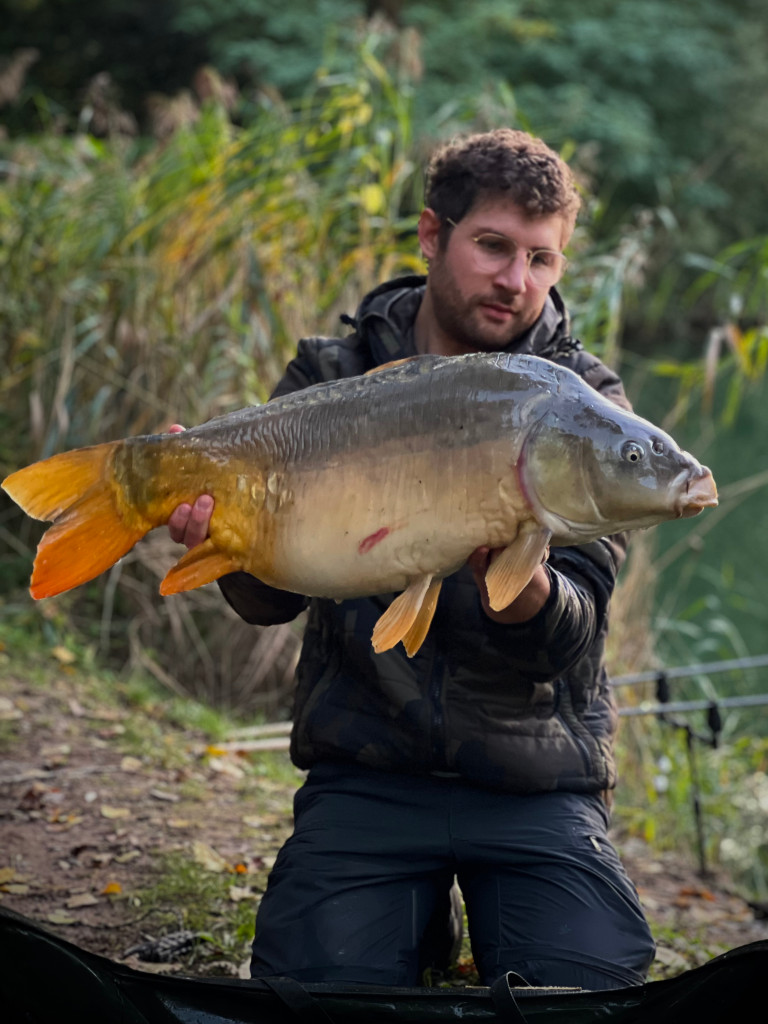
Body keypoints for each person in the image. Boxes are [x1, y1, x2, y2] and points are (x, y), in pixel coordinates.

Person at [168, 128, 656, 990]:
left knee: (585, 989)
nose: (517, 280)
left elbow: (571, 634)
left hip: (534, 779)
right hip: (370, 769)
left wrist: (522, 585)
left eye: (542, 259)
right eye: (493, 246)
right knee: (319, 989)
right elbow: (272, 602)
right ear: (433, 234)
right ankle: (410, 915)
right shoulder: (332, 376)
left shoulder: (586, 408)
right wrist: (225, 542)